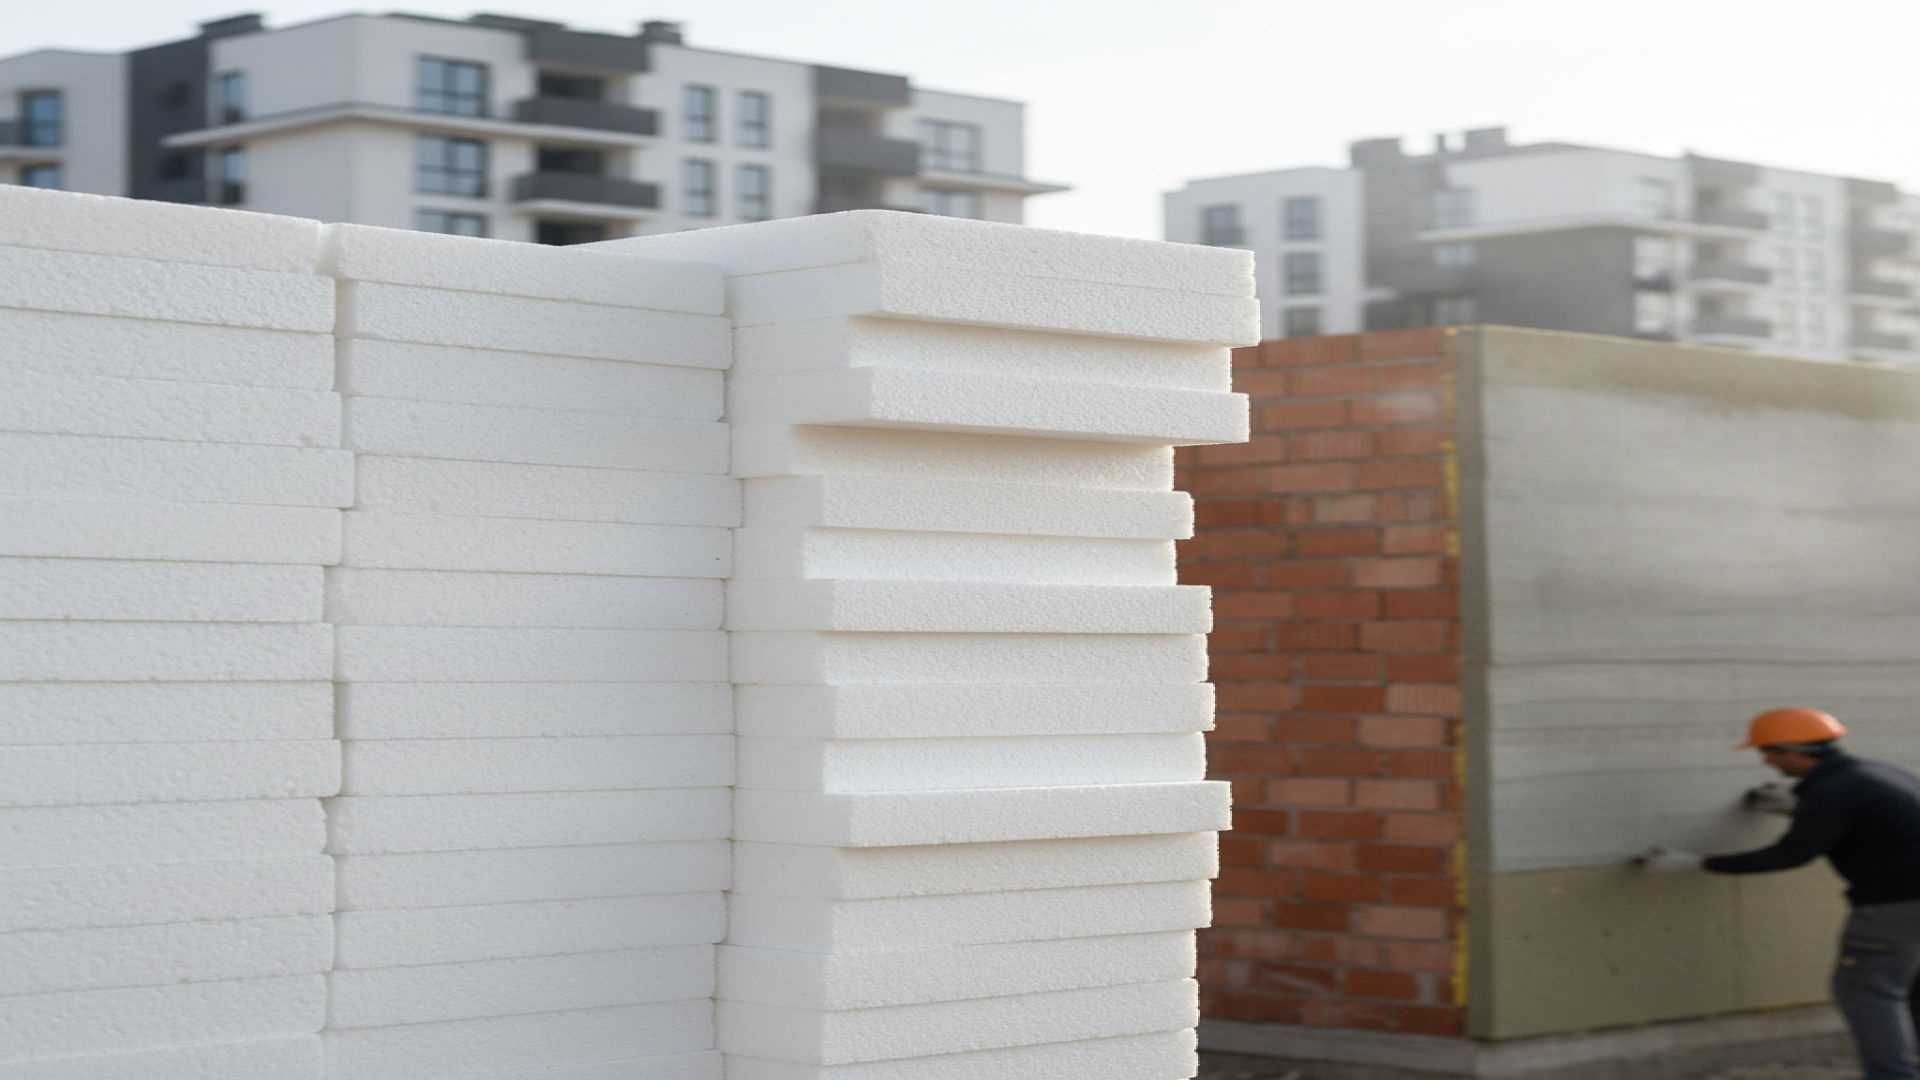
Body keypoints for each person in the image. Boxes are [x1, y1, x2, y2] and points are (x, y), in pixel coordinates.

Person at [1642, 708, 1920, 1080]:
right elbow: (1877, 820)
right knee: (1909, 985)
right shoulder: (1883, 772)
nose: (1765, 761)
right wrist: (1800, 810)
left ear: (1791, 752)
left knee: (1869, 993)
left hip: (1895, 904)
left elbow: (1792, 855)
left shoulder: (1831, 791)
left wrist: (1699, 864)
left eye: (1767, 752)